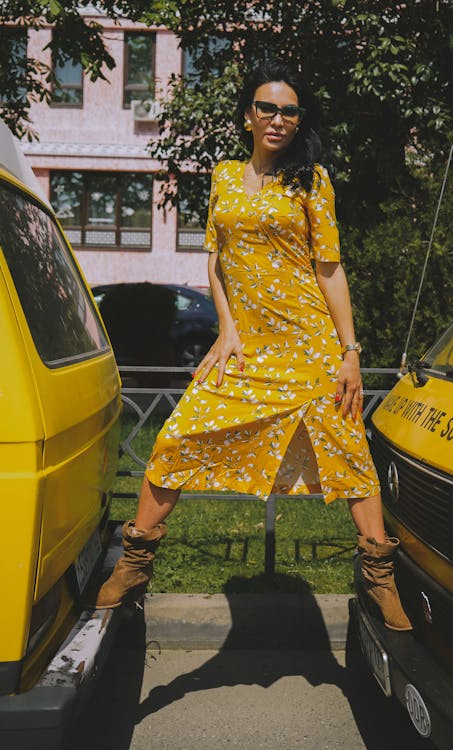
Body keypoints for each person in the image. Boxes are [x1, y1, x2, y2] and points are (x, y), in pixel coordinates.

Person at [94, 60, 411, 631]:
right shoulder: (221, 177)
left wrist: (350, 352)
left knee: (347, 450)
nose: (278, 119)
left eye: (289, 111)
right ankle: (136, 562)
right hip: (246, 349)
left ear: (297, 121)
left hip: (310, 343)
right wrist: (227, 327)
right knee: (177, 436)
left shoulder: (311, 181)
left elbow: (330, 269)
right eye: (267, 107)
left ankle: (379, 577)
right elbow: (215, 260)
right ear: (248, 116)